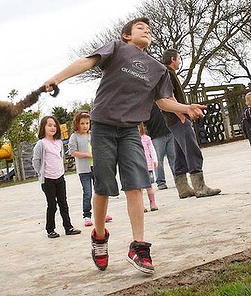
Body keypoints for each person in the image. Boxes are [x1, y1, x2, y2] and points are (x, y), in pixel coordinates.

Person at [43, 17, 206, 273]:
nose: (146, 31)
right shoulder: (117, 48)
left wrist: (185, 107)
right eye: (140, 28)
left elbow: (163, 101)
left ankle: (139, 247)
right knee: (104, 187)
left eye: (149, 29)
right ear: (126, 35)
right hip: (103, 127)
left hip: (131, 129)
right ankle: (99, 237)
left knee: (136, 185)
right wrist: (57, 78)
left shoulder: (158, 69)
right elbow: (86, 62)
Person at [162, 48, 221, 199]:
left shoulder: (165, 73)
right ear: (173, 59)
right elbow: (169, 96)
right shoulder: (168, 73)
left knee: (180, 154)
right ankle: (200, 187)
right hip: (178, 118)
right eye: (179, 58)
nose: (180, 61)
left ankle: (183, 188)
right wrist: (181, 113)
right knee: (192, 150)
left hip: (173, 119)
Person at [32, 115, 82, 239]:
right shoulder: (41, 144)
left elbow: (59, 158)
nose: (52, 128)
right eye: (49, 125)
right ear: (43, 127)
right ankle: (50, 229)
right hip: (47, 180)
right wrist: (41, 173)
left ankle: (68, 227)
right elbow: (36, 161)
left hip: (59, 178)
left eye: (54, 125)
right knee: (52, 205)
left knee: (63, 203)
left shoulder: (59, 143)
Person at [68, 110, 112, 227]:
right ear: (77, 124)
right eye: (82, 123)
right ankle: (87, 216)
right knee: (87, 193)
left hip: (97, 167)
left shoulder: (93, 135)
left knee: (100, 191)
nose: (85, 126)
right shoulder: (74, 137)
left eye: (87, 123)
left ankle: (102, 214)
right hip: (84, 170)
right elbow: (73, 152)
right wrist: (87, 154)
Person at [144, 103, 176, 190]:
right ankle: (161, 182)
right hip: (156, 135)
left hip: (170, 131)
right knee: (158, 159)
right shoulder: (146, 104)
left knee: (173, 157)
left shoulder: (163, 101)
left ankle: (178, 178)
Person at [138, 123, 159, 212]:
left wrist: (155, 159)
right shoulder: (131, 140)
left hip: (147, 166)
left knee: (149, 186)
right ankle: (140, 205)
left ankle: (152, 202)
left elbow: (152, 150)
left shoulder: (146, 138)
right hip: (137, 166)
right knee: (139, 189)